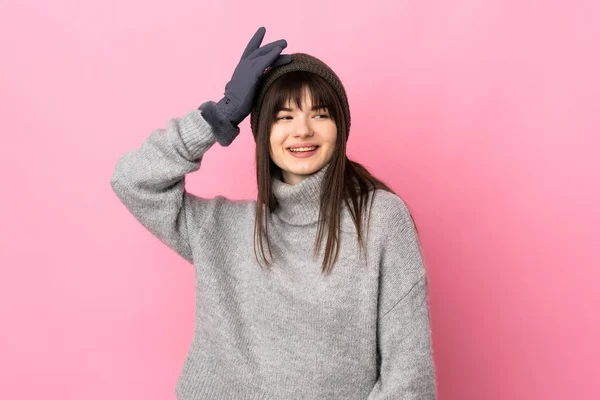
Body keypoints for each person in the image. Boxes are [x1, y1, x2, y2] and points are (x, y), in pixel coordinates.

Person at [110, 26, 436, 400]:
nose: (303, 130)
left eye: (320, 114)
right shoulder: (222, 230)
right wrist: (219, 117)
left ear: (340, 127)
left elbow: (408, 378)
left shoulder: (378, 220)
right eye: (284, 117)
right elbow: (133, 180)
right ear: (263, 131)